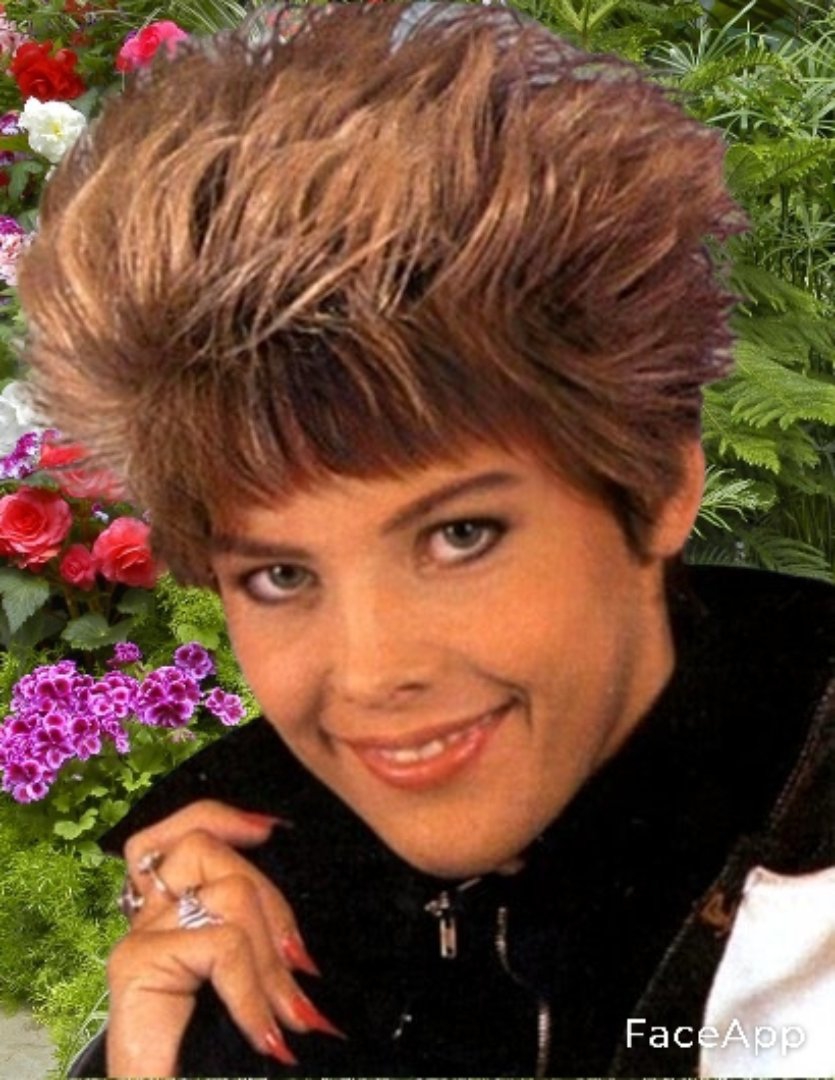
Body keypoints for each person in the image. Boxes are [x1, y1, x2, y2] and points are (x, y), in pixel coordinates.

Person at [16, 2, 835, 1076]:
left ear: (657, 487)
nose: (370, 672)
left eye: (459, 535)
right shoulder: (241, 899)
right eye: (279, 573)